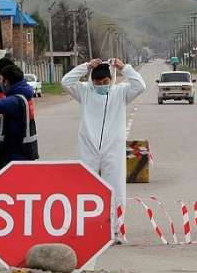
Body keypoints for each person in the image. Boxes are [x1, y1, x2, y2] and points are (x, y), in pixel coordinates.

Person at [61, 58, 146, 242]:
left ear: (111, 79)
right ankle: (87, 228)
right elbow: (66, 81)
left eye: (105, 82)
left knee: (116, 190)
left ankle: (116, 231)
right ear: (92, 80)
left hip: (112, 148)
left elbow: (140, 85)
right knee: (86, 187)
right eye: (97, 82)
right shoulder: (84, 92)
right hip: (88, 147)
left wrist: (124, 68)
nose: (101, 86)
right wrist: (86, 67)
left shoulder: (121, 92)